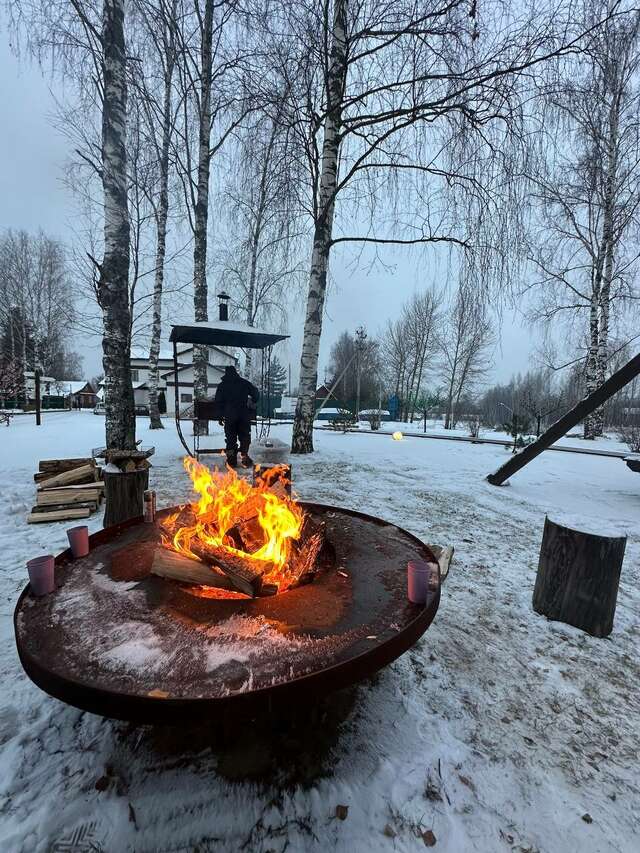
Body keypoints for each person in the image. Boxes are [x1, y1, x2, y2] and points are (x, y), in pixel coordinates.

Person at [214, 365, 259, 468]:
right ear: (236, 373)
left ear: (226, 374)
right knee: (245, 437)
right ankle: (246, 458)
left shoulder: (222, 385)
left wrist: (220, 417)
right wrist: (253, 401)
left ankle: (231, 460)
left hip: (230, 416)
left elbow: (218, 402)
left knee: (230, 439)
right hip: (243, 415)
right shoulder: (244, 383)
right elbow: (256, 393)